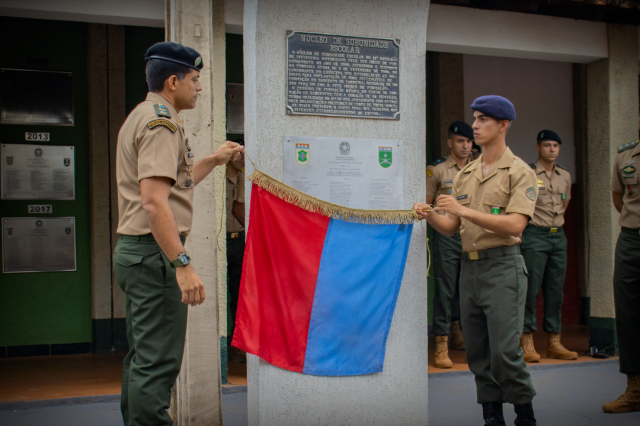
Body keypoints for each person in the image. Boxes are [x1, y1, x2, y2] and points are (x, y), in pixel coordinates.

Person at [113, 41, 244, 426]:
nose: (200, 88)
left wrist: (215, 160)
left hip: (141, 253)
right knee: (157, 363)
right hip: (154, 256)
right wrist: (181, 263)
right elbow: (154, 203)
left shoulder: (146, 115)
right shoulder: (161, 124)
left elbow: (176, 184)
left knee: (143, 359)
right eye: (195, 79)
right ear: (173, 81)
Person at [414, 95, 538, 426]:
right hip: (469, 269)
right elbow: (452, 226)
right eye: (475, 118)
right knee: (479, 353)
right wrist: (428, 214)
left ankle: (525, 415)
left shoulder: (520, 172)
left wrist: (463, 210)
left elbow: (515, 224)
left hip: (503, 267)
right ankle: (491, 416)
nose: (476, 125)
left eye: (483, 119)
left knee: (506, 353)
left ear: (503, 125)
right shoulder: (466, 173)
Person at [518, 130, 577, 363]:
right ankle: (527, 340)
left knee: (555, 291)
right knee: (531, 289)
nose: (552, 149)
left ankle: (554, 342)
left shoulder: (564, 175)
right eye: (547, 145)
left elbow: (565, 204)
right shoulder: (529, 174)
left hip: (557, 237)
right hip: (534, 235)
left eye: (555, 145)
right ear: (537, 148)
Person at [425, 121, 473, 368]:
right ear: (450, 143)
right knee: (445, 289)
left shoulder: (479, 170)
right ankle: (441, 343)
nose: (465, 146)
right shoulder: (438, 170)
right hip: (447, 236)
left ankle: (459, 330)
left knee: (468, 288)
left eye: (468, 141)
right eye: (460, 141)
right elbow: (427, 204)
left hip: (473, 235)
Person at [603, 138, 640, 414]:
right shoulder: (626, 154)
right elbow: (620, 198)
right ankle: (635, 388)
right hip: (631, 240)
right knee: (627, 312)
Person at [227, 139, 247, 364]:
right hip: (222, 241)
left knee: (239, 293)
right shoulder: (219, 178)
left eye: (243, 153)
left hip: (240, 239)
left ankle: (238, 344)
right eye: (237, 152)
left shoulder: (244, 177)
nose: (241, 157)